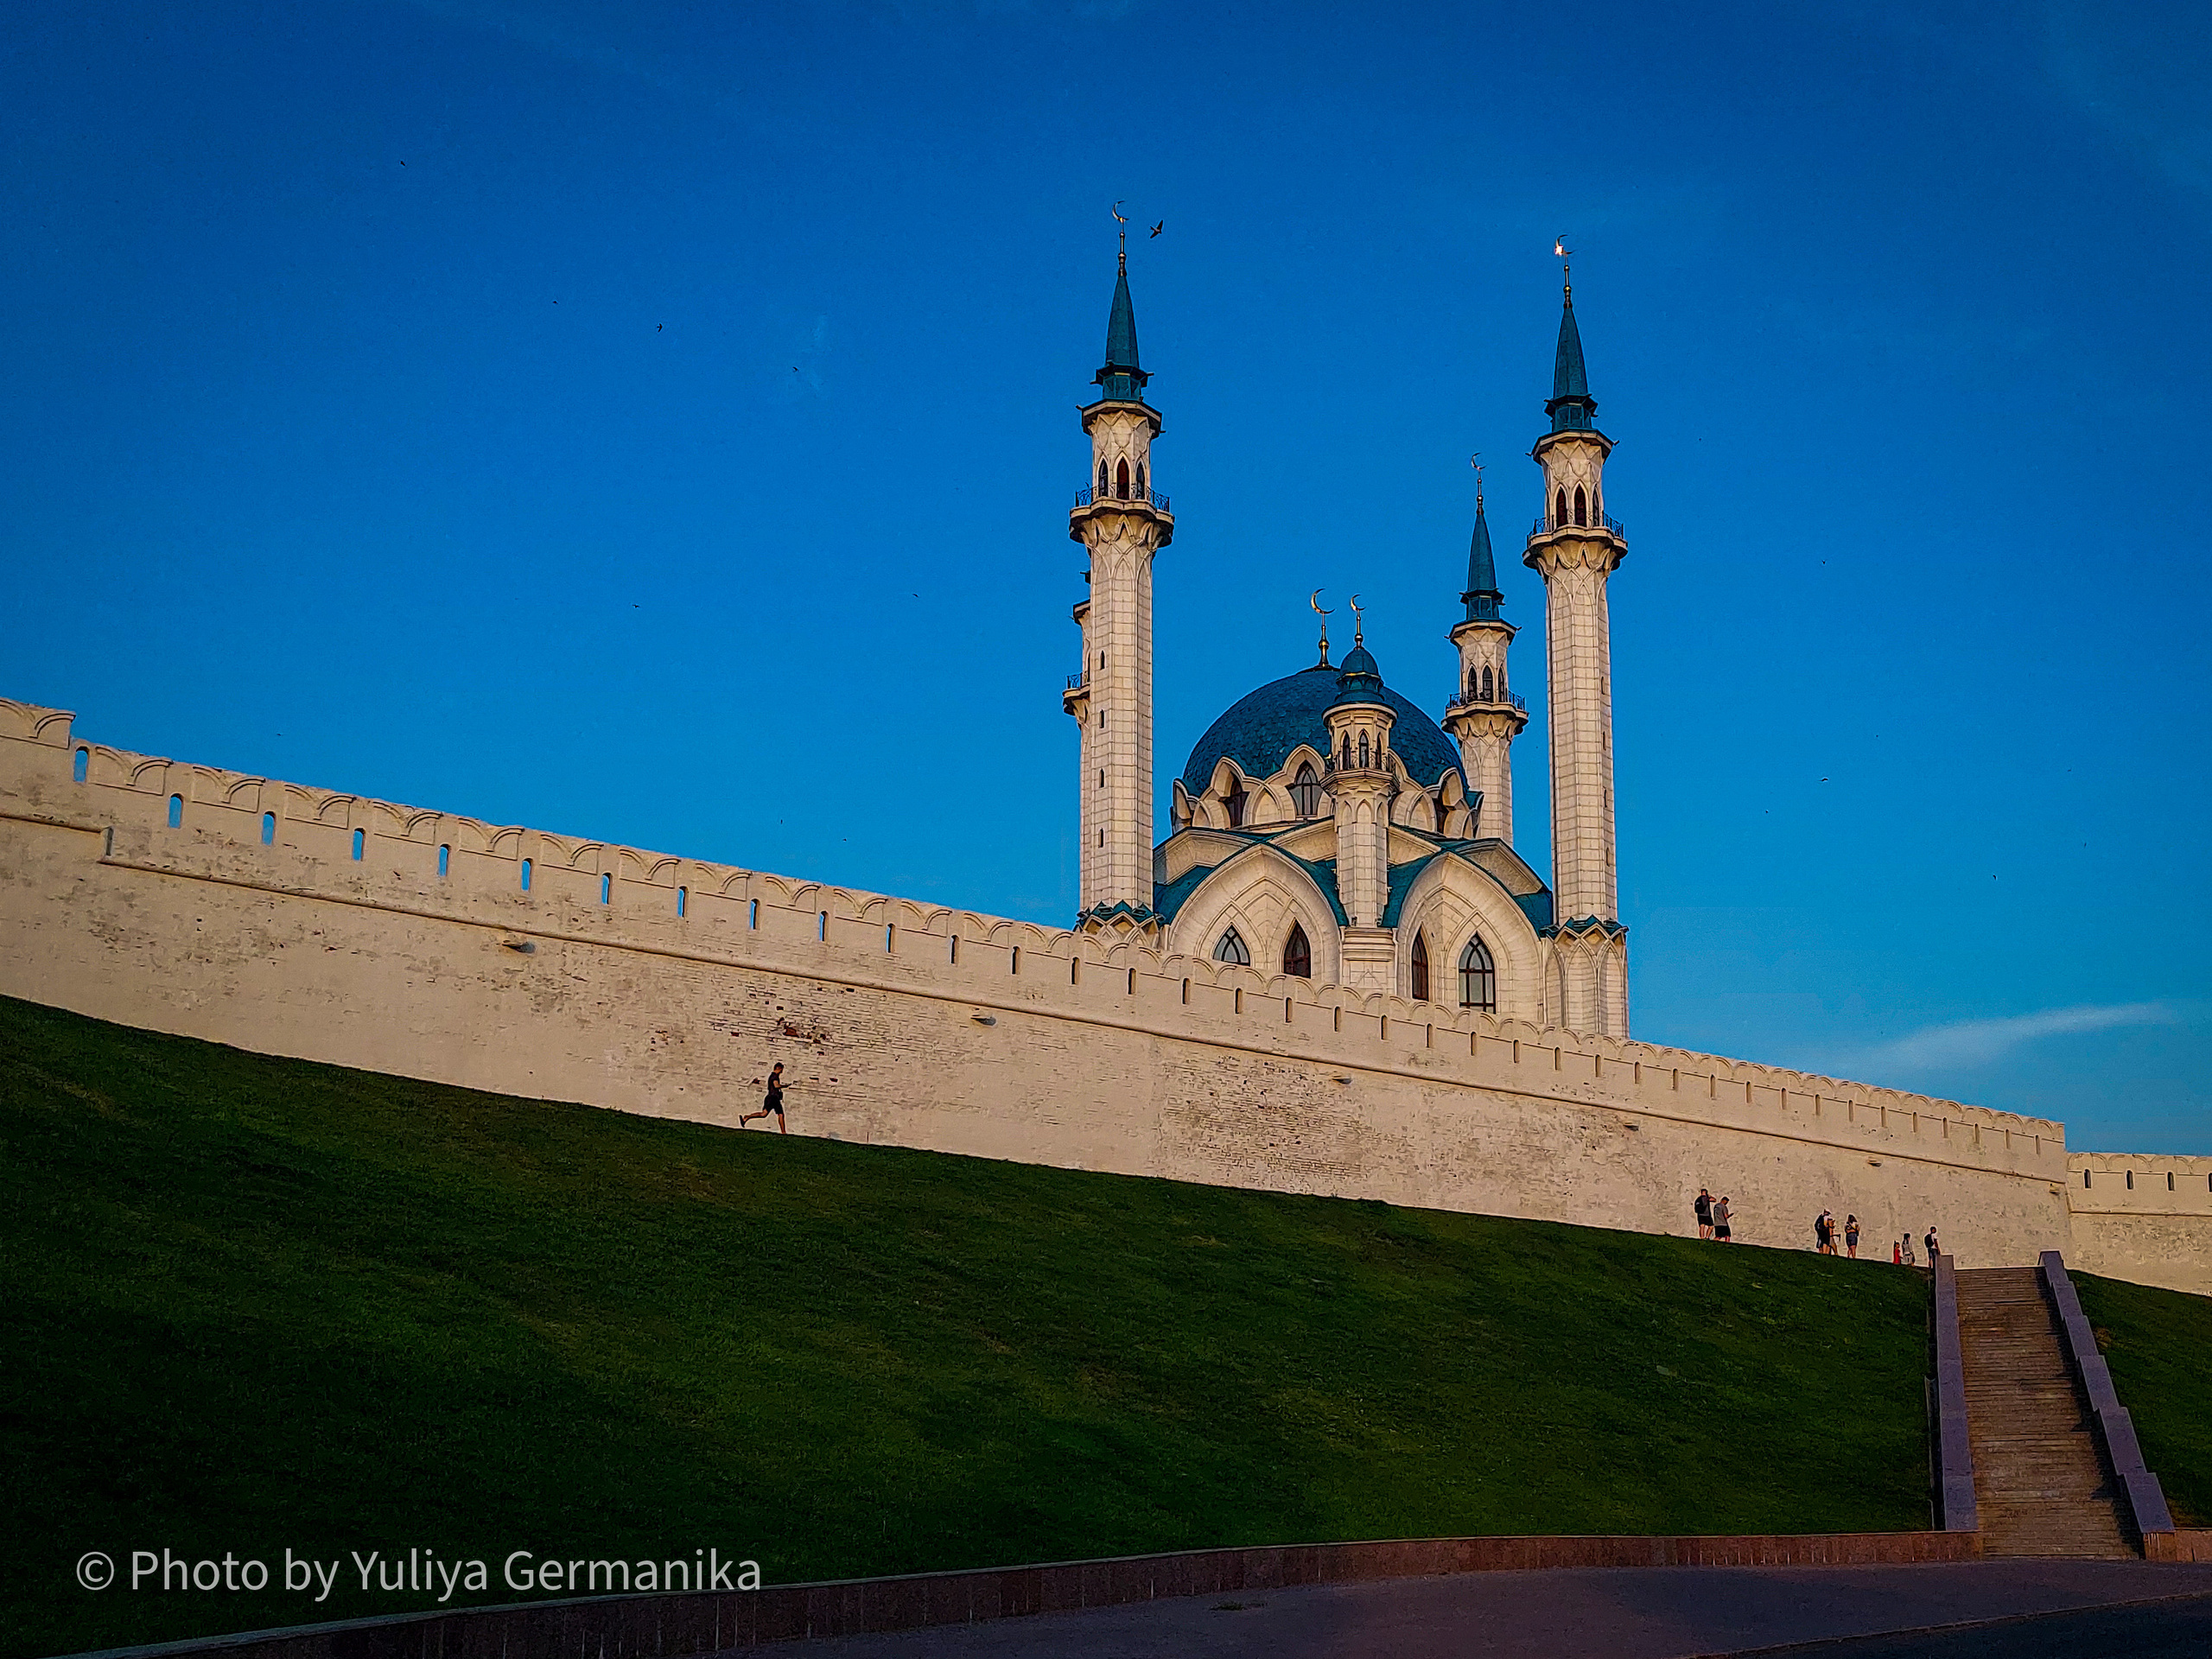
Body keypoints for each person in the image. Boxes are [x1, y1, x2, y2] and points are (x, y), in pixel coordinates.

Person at [740, 1063, 787, 1133]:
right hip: (774, 1098)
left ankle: (747, 1117)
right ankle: (783, 1132)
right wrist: (784, 1086)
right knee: (780, 1114)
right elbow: (776, 1085)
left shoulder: (771, 1076)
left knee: (763, 1114)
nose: (782, 1072)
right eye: (781, 1070)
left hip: (769, 1097)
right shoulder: (775, 1076)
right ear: (778, 1068)